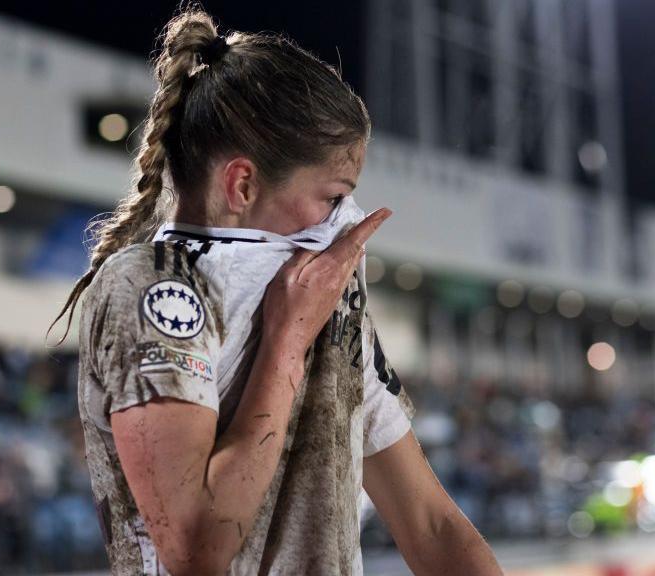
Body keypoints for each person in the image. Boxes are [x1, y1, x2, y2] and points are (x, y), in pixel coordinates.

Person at [49, 4, 504, 575]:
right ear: (242, 185)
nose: (346, 218)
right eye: (334, 196)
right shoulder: (151, 284)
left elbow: (431, 524)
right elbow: (196, 550)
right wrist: (286, 340)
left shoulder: (325, 299)